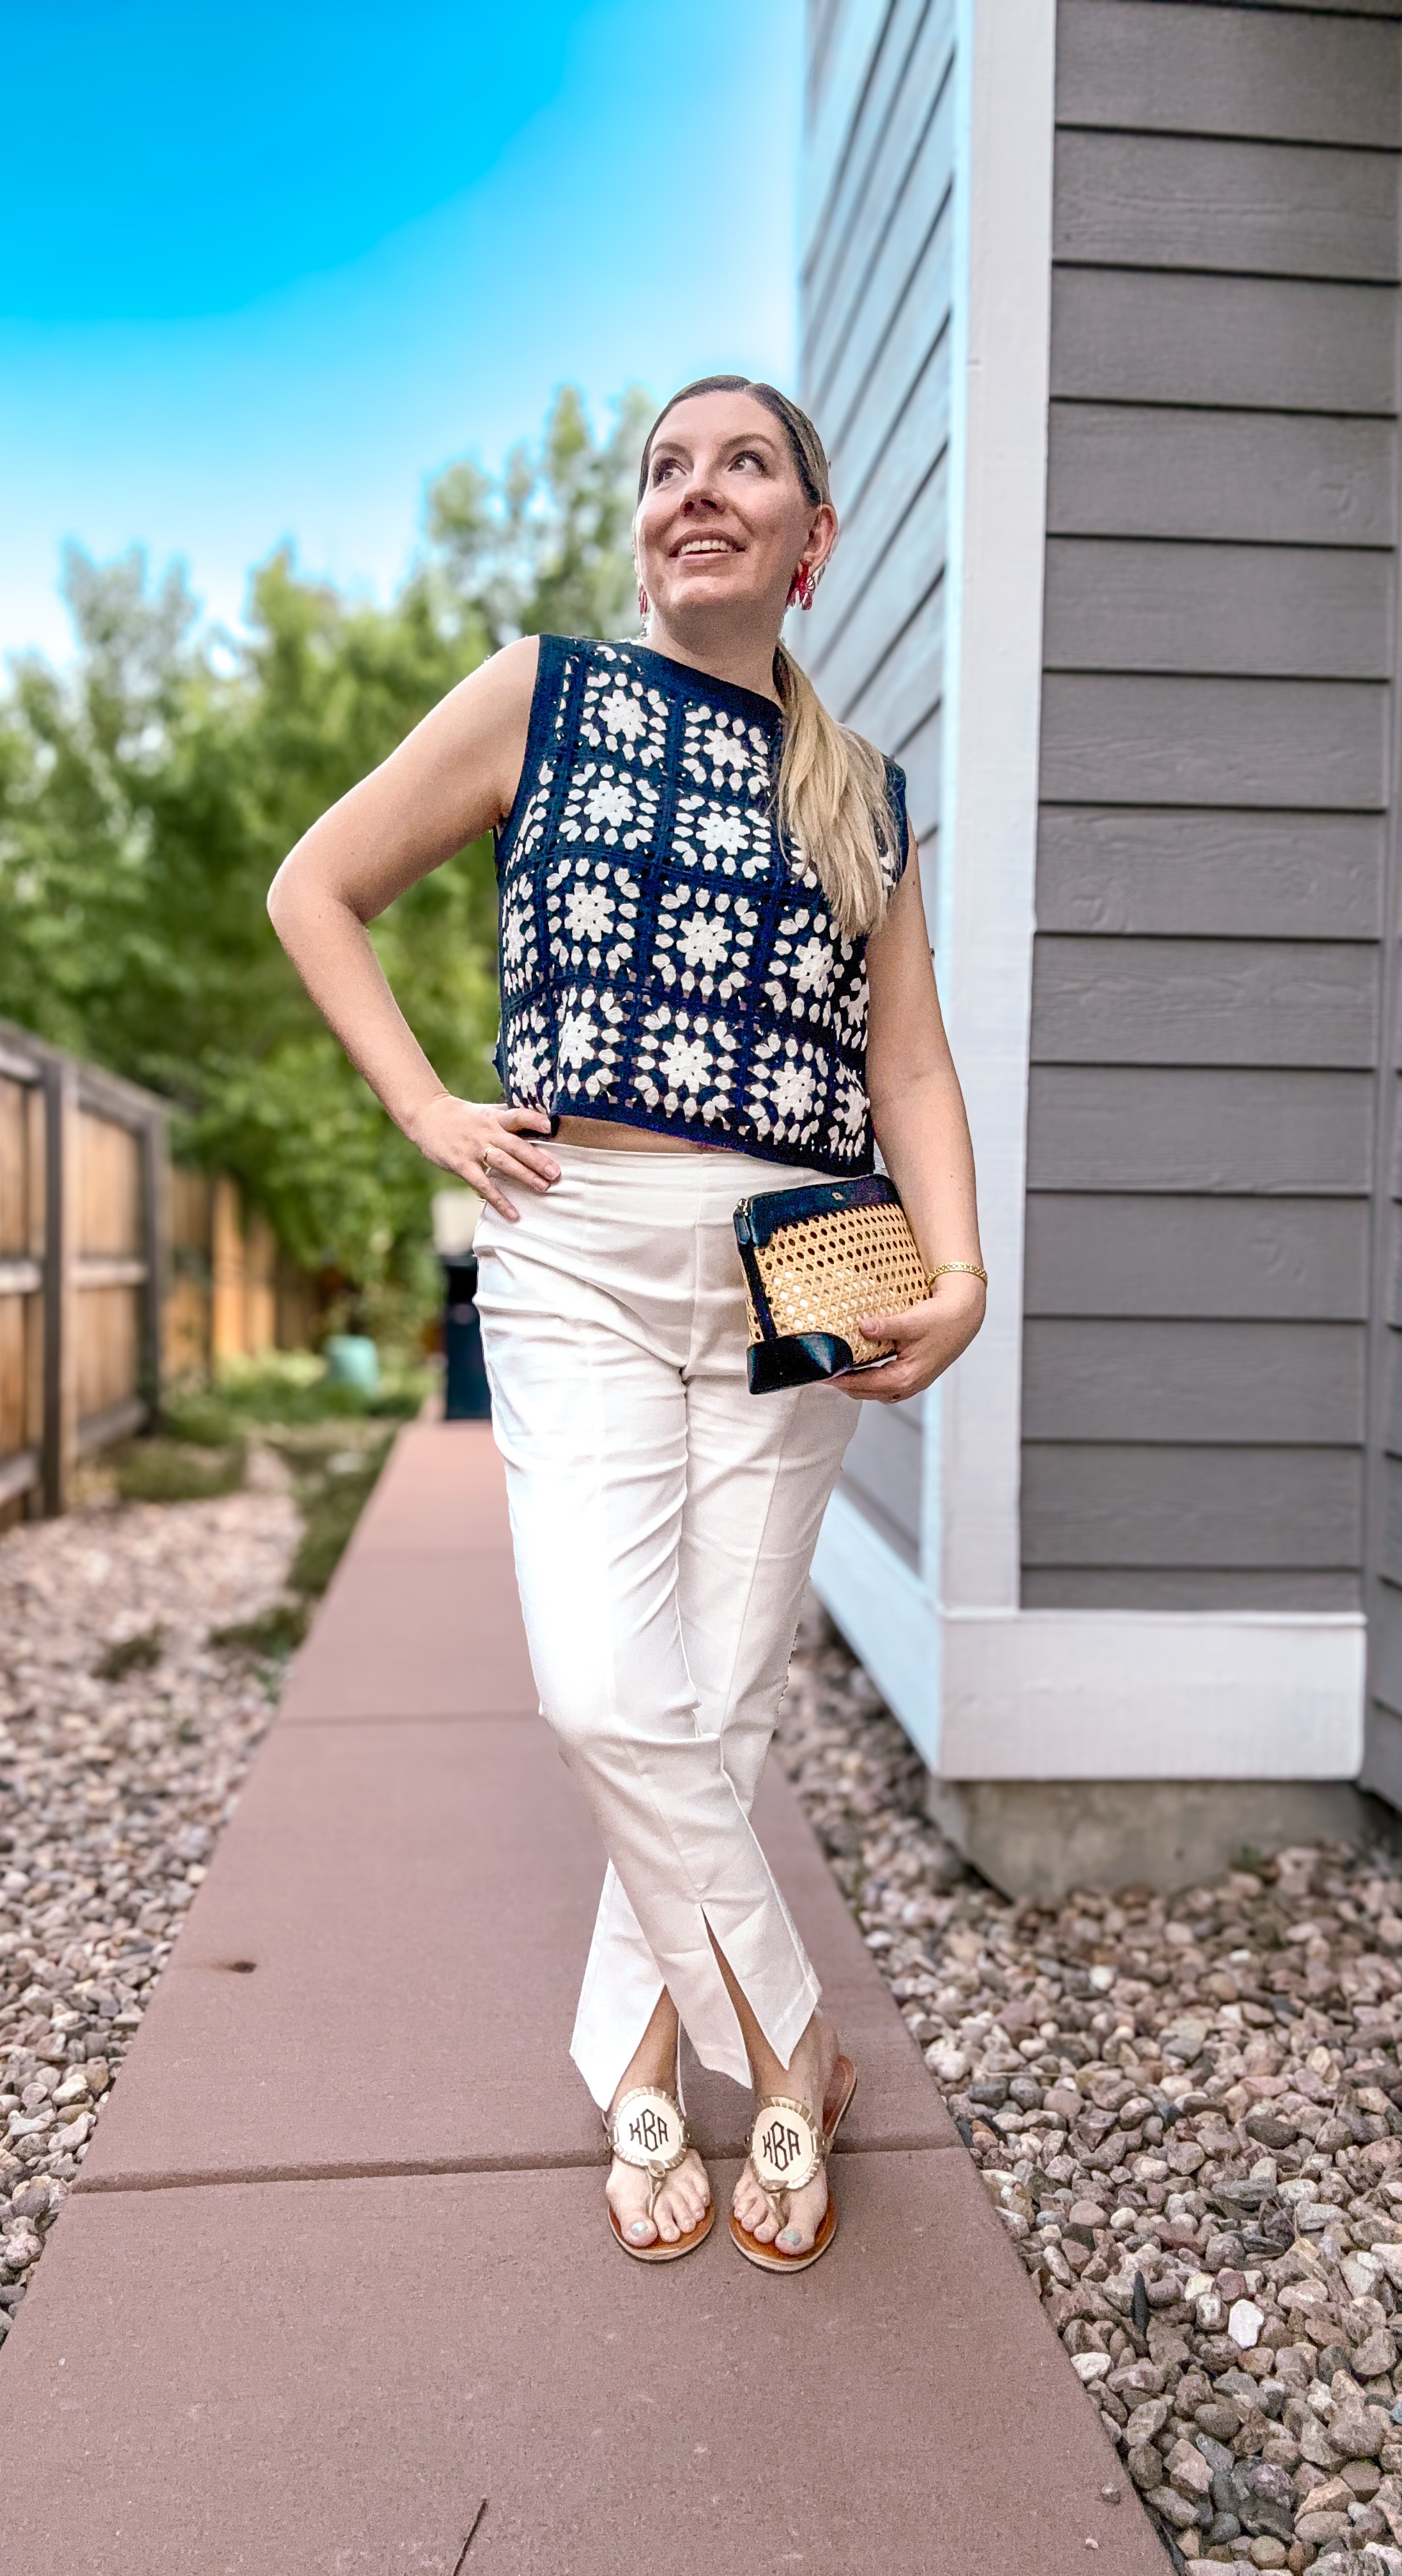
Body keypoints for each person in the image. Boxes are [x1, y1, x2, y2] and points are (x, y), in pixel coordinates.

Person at [268, 375, 985, 2272]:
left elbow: (904, 1064)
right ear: (645, 529)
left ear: (809, 543)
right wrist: (426, 1105)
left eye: (741, 464)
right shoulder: (545, 696)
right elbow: (313, 887)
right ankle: (797, 2047)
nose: (698, 490)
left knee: (719, 1706)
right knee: (605, 1690)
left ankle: (652, 2047)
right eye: (667, 468)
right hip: (575, 1246)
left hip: (805, 1265)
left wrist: (964, 1265)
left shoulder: (867, 797)